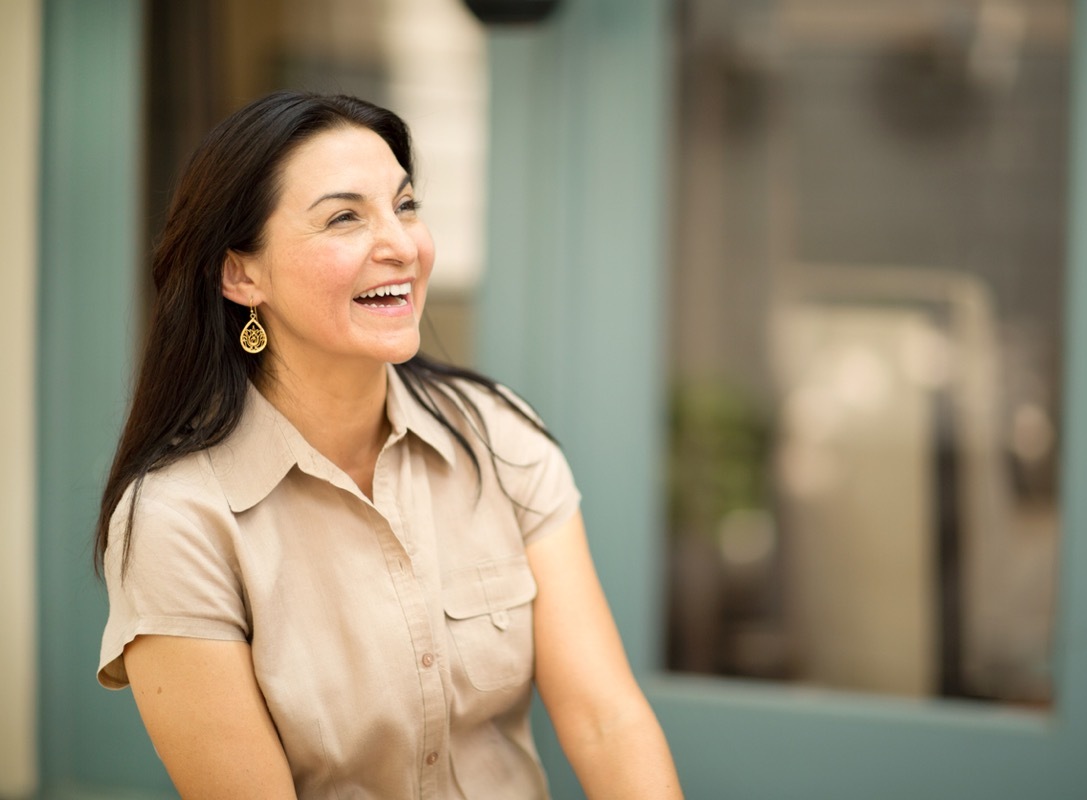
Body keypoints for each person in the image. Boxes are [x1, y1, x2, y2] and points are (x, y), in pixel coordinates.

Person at [95, 90, 682, 800]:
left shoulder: (498, 436)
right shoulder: (178, 520)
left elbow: (605, 722)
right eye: (345, 217)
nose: (402, 244)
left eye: (405, 206)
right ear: (242, 274)